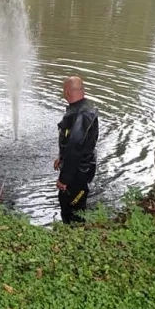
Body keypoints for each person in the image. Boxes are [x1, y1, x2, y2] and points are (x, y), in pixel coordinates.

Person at [53, 76, 99, 224]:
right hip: (79, 168)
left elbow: (75, 148)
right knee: (67, 202)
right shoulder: (80, 109)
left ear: (66, 92)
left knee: (72, 206)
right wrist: (61, 157)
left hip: (79, 172)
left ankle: (75, 237)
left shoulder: (82, 115)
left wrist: (64, 178)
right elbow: (72, 142)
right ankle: (71, 234)